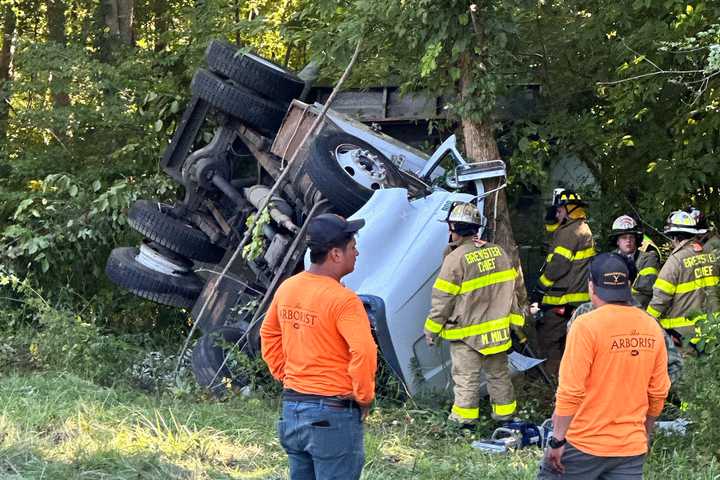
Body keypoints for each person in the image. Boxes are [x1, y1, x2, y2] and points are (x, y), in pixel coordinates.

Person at [260, 213, 377, 480]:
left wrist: (286, 376)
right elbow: (364, 352)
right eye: (352, 247)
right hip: (333, 417)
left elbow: (268, 334)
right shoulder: (344, 300)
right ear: (336, 254)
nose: (356, 252)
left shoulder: (288, 288)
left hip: (293, 411)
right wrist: (364, 397)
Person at [537, 253, 671, 479]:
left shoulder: (585, 326)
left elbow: (571, 391)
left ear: (591, 286)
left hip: (582, 445)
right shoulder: (651, 326)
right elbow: (658, 391)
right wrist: (643, 434)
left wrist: (557, 439)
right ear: (627, 286)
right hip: (631, 449)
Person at [424, 202, 524, 425]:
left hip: (466, 334)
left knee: (466, 379)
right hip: (498, 333)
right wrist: (517, 323)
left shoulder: (455, 259)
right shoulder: (498, 252)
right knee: (499, 376)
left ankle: (463, 422)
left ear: (453, 228)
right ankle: (506, 418)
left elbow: (443, 299)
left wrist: (431, 330)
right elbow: (513, 291)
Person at [532, 189, 595, 376]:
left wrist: (540, 288)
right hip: (576, 299)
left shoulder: (569, 233)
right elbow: (551, 228)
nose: (556, 214)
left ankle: (552, 384)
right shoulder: (580, 228)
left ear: (568, 210)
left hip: (562, 299)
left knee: (548, 341)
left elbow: (557, 267)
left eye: (559, 210)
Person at [647, 210, 720, 347]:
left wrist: (646, 321)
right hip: (712, 332)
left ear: (674, 237)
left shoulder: (675, 261)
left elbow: (660, 299)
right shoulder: (711, 256)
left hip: (683, 336)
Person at [608, 214, 661, 308]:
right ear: (617, 241)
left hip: (640, 309)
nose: (628, 241)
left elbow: (648, 286)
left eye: (631, 237)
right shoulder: (609, 259)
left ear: (636, 239)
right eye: (624, 237)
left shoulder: (648, 258)